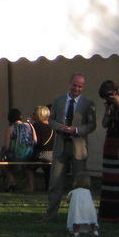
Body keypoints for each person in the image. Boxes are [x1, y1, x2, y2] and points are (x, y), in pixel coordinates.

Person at [46, 74, 96, 219]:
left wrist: (77, 130)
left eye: (80, 87)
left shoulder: (88, 103)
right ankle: (51, 214)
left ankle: (79, 215)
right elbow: (51, 120)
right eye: (74, 85)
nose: (76, 89)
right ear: (70, 84)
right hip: (61, 144)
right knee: (55, 181)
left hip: (78, 147)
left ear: (83, 87)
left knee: (80, 182)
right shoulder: (58, 100)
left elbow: (92, 125)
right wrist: (59, 127)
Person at [97, 80, 119, 223]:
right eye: (106, 96)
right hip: (110, 141)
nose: (108, 98)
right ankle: (107, 213)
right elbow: (104, 124)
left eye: (110, 95)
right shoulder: (108, 105)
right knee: (109, 178)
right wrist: (108, 111)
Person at [1, 107, 35, 192]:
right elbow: (35, 140)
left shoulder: (10, 128)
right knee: (28, 166)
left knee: (3, 162)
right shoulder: (29, 125)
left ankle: (12, 181)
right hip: (29, 155)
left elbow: (7, 146)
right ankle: (30, 186)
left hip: (16, 155)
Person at [31, 105, 54, 192]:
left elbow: (35, 142)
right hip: (53, 154)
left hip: (41, 154)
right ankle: (48, 186)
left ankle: (30, 186)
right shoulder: (53, 127)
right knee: (48, 169)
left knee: (29, 167)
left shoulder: (36, 126)